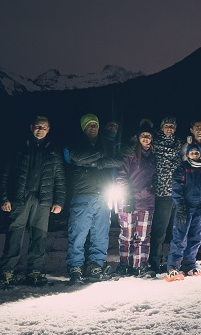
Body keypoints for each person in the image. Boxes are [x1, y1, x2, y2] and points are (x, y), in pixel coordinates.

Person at [0, 116, 66, 290]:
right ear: (31, 127)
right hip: (20, 199)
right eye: (38, 126)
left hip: (43, 201)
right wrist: (4, 198)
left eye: (44, 127)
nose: (41, 129)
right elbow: (5, 175)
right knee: (14, 236)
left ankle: (33, 273)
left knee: (39, 237)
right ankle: (5, 274)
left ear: (49, 130)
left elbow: (60, 179)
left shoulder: (53, 150)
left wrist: (59, 201)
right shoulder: (19, 147)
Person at [64, 114, 123, 284]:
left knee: (101, 233)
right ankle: (75, 267)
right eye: (89, 125)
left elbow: (116, 160)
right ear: (83, 128)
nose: (92, 127)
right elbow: (75, 157)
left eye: (95, 125)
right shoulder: (76, 143)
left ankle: (96, 266)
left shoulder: (104, 143)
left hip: (103, 195)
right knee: (78, 233)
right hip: (83, 194)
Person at [115, 122, 157, 277]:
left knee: (143, 236)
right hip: (129, 200)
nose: (146, 139)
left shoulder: (153, 156)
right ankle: (124, 264)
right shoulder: (130, 155)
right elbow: (121, 176)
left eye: (149, 136)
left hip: (146, 201)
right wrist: (126, 196)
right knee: (127, 235)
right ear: (138, 137)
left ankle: (140, 264)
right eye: (143, 136)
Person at [167, 145, 201, 278]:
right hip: (185, 208)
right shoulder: (183, 169)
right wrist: (180, 205)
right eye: (192, 153)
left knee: (196, 237)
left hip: (199, 209)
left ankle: (189, 264)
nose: (194, 155)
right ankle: (173, 266)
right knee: (180, 237)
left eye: (196, 153)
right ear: (188, 155)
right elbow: (177, 188)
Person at [147, 116, 183, 273]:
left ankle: (172, 262)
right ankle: (154, 261)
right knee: (159, 229)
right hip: (160, 191)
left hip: (175, 191)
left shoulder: (178, 144)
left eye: (172, 126)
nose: (169, 128)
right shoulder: (154, 142)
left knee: (173, 229)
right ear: (161, 127)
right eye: (167, 125)